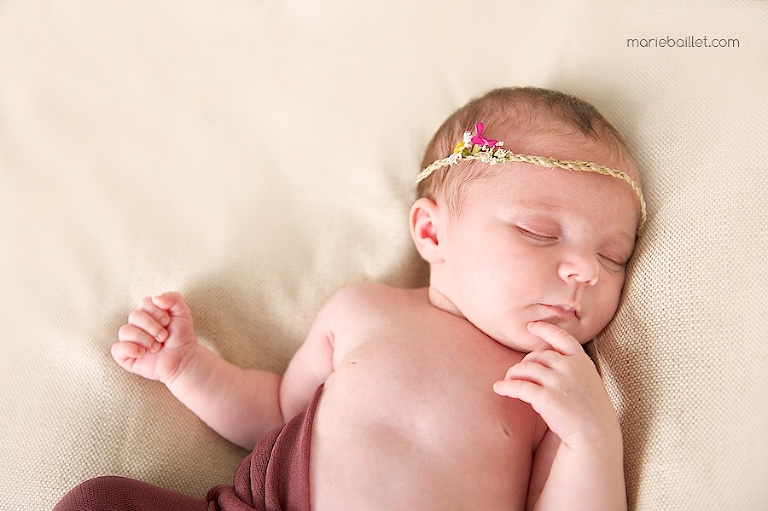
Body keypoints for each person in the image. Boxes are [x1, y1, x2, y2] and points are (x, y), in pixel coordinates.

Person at [54, 86, 645, 511]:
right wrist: (188, 367)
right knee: (98, 502)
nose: (584, 271)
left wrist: (591, 438)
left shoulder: (553, 387)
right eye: (540, 232)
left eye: (612, 256)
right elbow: (279, 408)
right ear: (433, 233)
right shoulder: (366, 311)